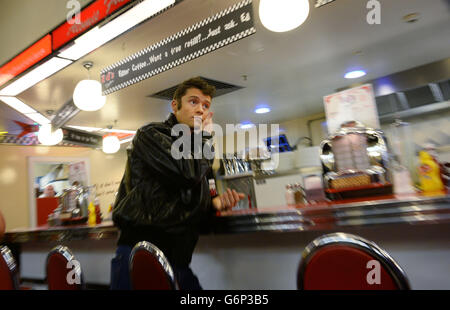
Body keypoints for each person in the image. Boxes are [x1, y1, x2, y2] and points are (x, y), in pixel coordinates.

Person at [111, 77, 245, 290]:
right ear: (175, 105)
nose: (200, 109)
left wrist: (214, 204)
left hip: (178, 261)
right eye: (193, 102)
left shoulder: (198, 151)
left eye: (206, 105)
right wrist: (204, 137)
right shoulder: (152, 135)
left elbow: (187, 195)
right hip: (140, 253)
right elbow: (186, 174)